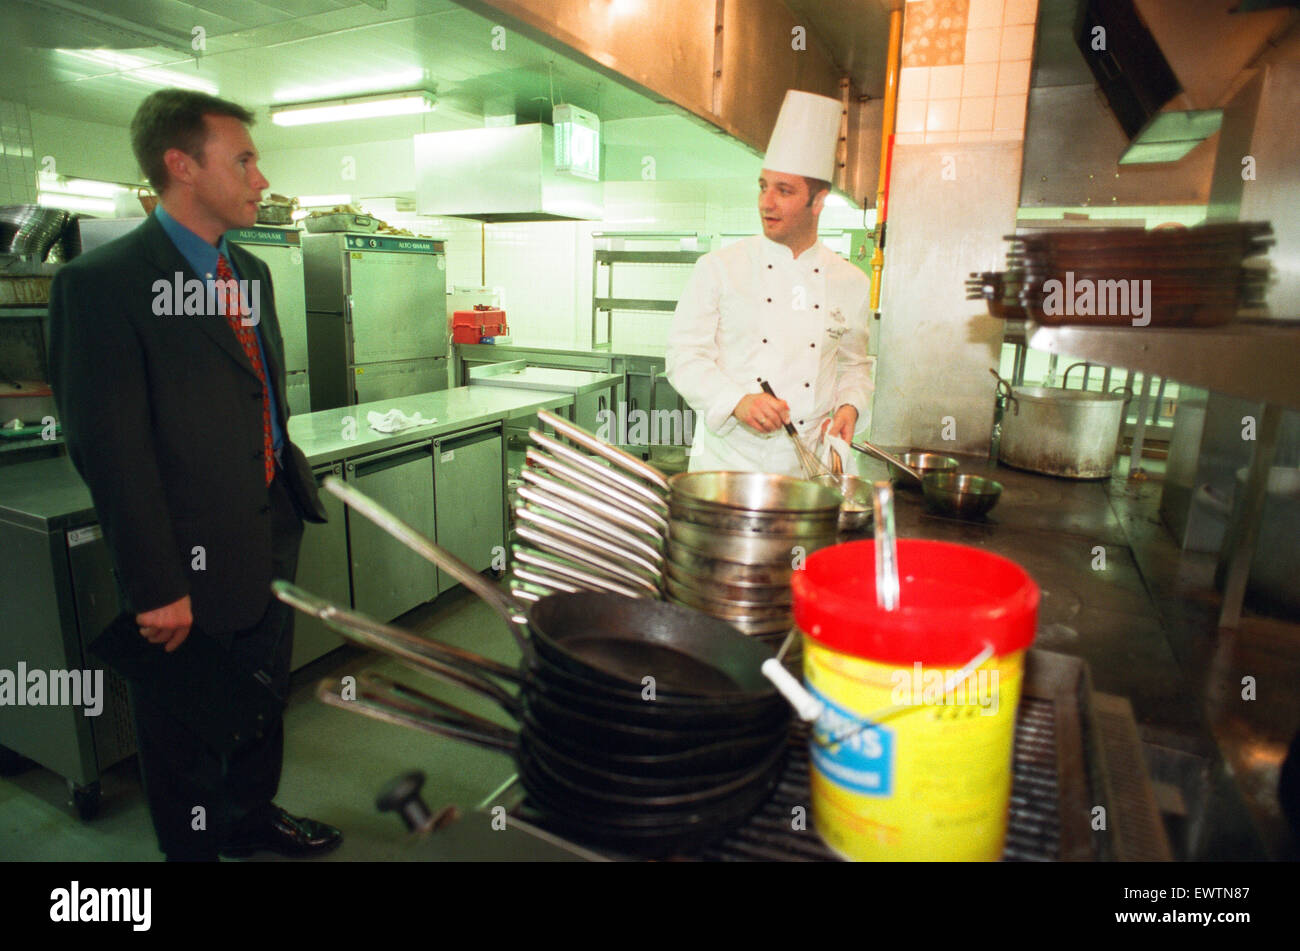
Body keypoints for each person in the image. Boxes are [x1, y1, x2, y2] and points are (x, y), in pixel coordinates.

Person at [48, 89, 340, 861]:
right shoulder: (102, 286)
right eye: (242, 158)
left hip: (269, 530)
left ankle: (250, 816)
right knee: (182, 727)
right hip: (183, 560)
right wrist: (155, 585)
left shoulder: (249, 271)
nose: (260, 176)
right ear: (182, 166)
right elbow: (109, 449)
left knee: (259, 699)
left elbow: (260, 394)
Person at [667, 90, 873, 476]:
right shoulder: (719, 268)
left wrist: (850, 407)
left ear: (819, 201)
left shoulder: (851, 282)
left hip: (808, 465)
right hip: (728, 466)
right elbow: (683, 357)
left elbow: (854, 365)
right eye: (763, 186)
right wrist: (736, 400)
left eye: (784, 191)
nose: (766, 203)